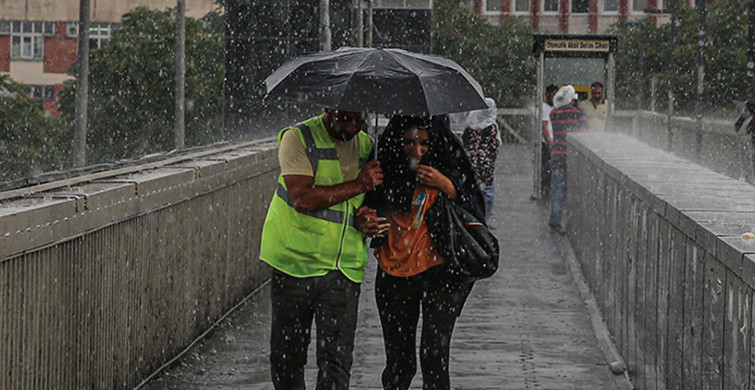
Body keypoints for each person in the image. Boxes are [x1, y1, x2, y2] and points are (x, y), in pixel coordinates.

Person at [259, 108, 389, 390]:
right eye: (345, 118)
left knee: (337, 362)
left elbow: (361, 204)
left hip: (343, 268)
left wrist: (365, 219)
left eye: (359, 120)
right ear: (329, 109)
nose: (353, 127)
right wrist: (358, 184)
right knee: (287, 358)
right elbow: (302, 198)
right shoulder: (298, 138)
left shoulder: (367, 146)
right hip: (295, 263)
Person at [364, 115, 485, 390]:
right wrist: (366, 219)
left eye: (423, 144)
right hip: (394, 275)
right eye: (408, 143)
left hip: (442, 274)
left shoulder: (449, 165)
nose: (416, 151)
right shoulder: (385, 171)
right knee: (399, 362)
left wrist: (446, 185)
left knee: (434, 357)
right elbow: (367, 206)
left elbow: (476, 210)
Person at [549, 85, 588, 232]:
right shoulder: (578, 113)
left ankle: (555, 219)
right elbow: (584, 129)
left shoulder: (554, 113)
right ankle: (573, 223)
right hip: (572, 155)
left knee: (557, 188)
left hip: (557, 154)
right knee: (574, 188)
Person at [460, 97, 500, 222]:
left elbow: (464, 145)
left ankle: (473, 219)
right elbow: (495, 147)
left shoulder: (469, 127)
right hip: (486, 169)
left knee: (471, 193)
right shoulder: (492, 128)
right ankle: (483, 221)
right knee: (487, 194)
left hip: (469, 169)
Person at [541, 84, 559, 195]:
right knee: (547, 167)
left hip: (552, 142)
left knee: (550, 167)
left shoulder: (552, 108)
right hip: (548, 143)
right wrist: (549, 142)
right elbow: (544, 127)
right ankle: (546, 188)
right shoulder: (544, 108)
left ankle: (548, 188)